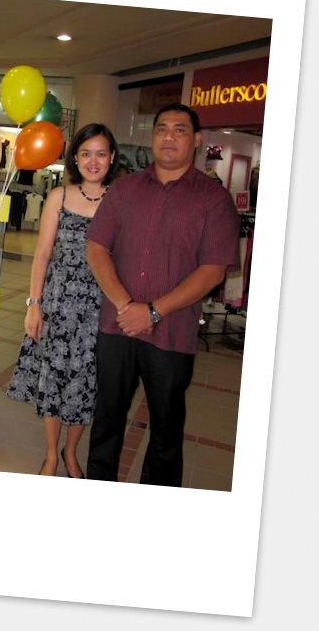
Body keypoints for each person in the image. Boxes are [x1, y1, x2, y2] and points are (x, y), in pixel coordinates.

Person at [85, 103, 240, 487]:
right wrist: (126, 305)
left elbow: (213, 269)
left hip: (172, 333)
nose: (169, 137)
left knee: (166, 434)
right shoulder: (125, 189)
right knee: (107, 420)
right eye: (161, 129)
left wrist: (152, 311)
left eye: (179, 130)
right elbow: (96, 247)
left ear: (197, 139)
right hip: (117, 327)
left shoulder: (213, 199)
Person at [7, 123, 118, 478]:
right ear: (75, 158)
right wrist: (34, 305)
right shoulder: (59, 196)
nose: (93, 161)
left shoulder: (119, 200)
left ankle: (71, 452)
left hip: (98, 308)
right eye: (86, 154)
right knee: (53, 378)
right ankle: (51, 453)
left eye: (100, 154)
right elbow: (42, 254)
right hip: (57, 304)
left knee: (85, 382)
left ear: (112, 158)